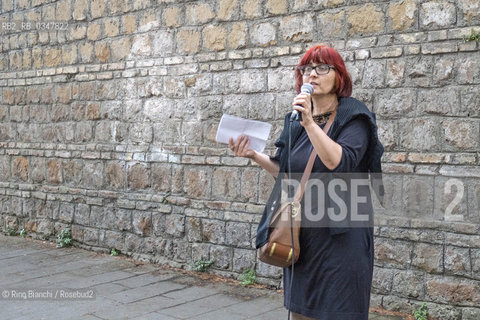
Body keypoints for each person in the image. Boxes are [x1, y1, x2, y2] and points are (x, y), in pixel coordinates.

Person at [229, 44, 384, 320]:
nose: (312, 74)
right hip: (302, 237)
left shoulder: (354, 117)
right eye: (307, 68)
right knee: (301, 314)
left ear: (340, 77)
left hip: (342, 240)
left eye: (322, 67)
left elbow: (341, 162)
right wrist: (255, 155)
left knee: (338, 313)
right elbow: (287, 173)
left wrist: (310, 124)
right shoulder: (295, 120)